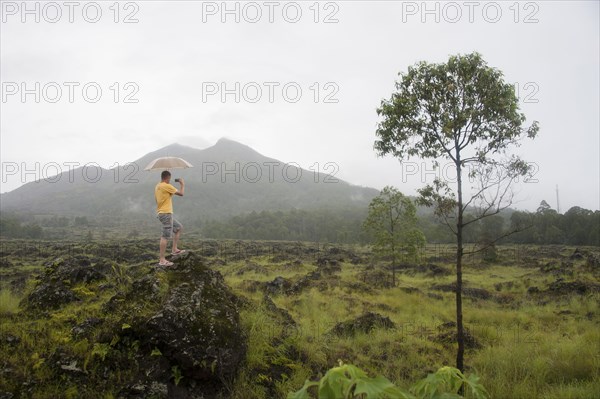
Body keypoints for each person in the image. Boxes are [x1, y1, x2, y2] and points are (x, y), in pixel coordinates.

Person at [155, 170, 186, 267]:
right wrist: (182, 184)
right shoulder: (167, 186)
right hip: (166, 213)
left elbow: (158, 199)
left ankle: (174, 250)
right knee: (165, 236)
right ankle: (162, 260)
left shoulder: (158, 186)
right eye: (170, 178)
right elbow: (181, 193)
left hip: (162, 213)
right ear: (168, 177)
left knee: (178, 228)